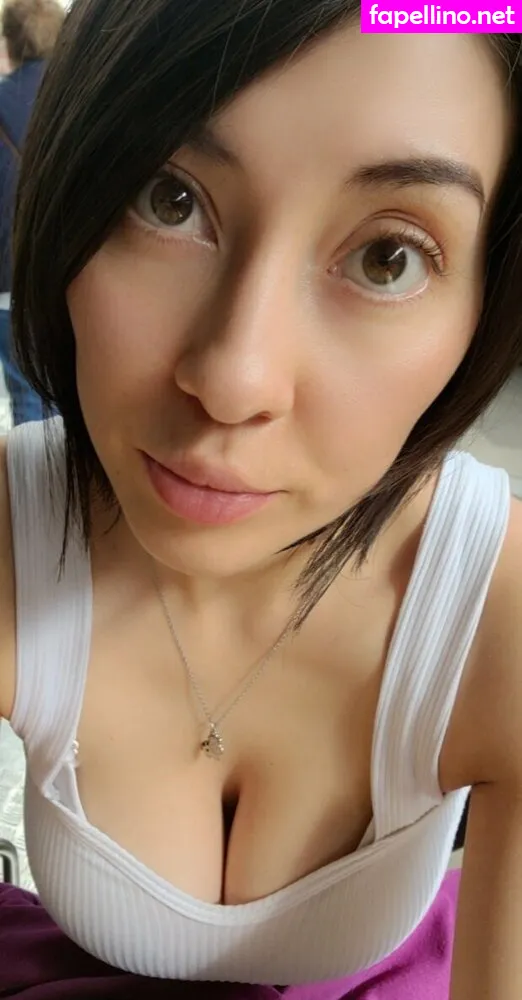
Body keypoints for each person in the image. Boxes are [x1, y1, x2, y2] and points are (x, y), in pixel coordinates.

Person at [0, 2, 521, 997]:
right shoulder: (14, 536)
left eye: (387, 257)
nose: (235, 379)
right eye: (168, 198)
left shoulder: (502, 612)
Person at [0, 0, 64, 425]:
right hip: (68, 272)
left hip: (8, 278)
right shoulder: (78, 101)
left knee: (26, 391)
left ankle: (37, 465)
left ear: (10, 40)